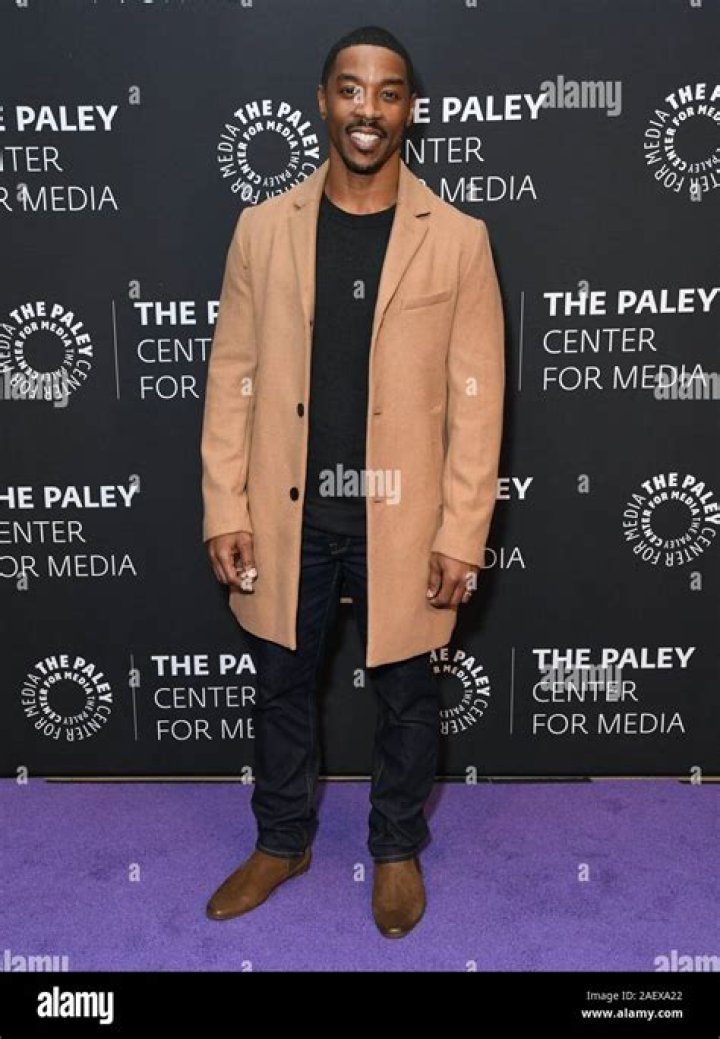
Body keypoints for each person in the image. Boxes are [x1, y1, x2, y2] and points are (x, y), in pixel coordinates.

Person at [200, 24, 505, 938]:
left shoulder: (459, 239)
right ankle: (281, 840)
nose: (367, 109)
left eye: (387, 92)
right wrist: (224, 505)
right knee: (281, 685)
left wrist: (461, 532)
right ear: (324, 101)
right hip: (287, 514)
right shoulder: (261, 229)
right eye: (350, 88)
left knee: (409, 696)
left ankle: (397, 846)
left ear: (409, 109)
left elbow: (477, 403)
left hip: (402, 521)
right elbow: (232, 374)